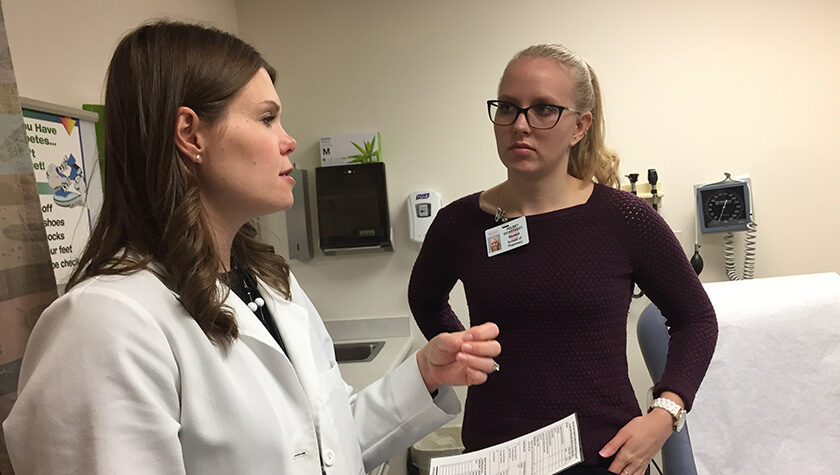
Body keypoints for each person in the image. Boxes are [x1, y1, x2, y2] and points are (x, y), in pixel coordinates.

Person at [2, 21, 501, 474]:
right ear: (190, 134)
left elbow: (324, 449)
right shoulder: (103, 326)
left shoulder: (266, 284)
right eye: (267, 119)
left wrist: (424, 374)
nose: (288, 141)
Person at [409, 44, 717, 475]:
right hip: (496, 456)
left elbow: (696, 319)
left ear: (579, 126)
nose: (521, 125)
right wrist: (467, 355)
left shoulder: (624, 219)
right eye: (509, 108)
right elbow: (424, 299)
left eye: (543, 110)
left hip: (605, 457)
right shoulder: (458, 224)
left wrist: (666, 414)